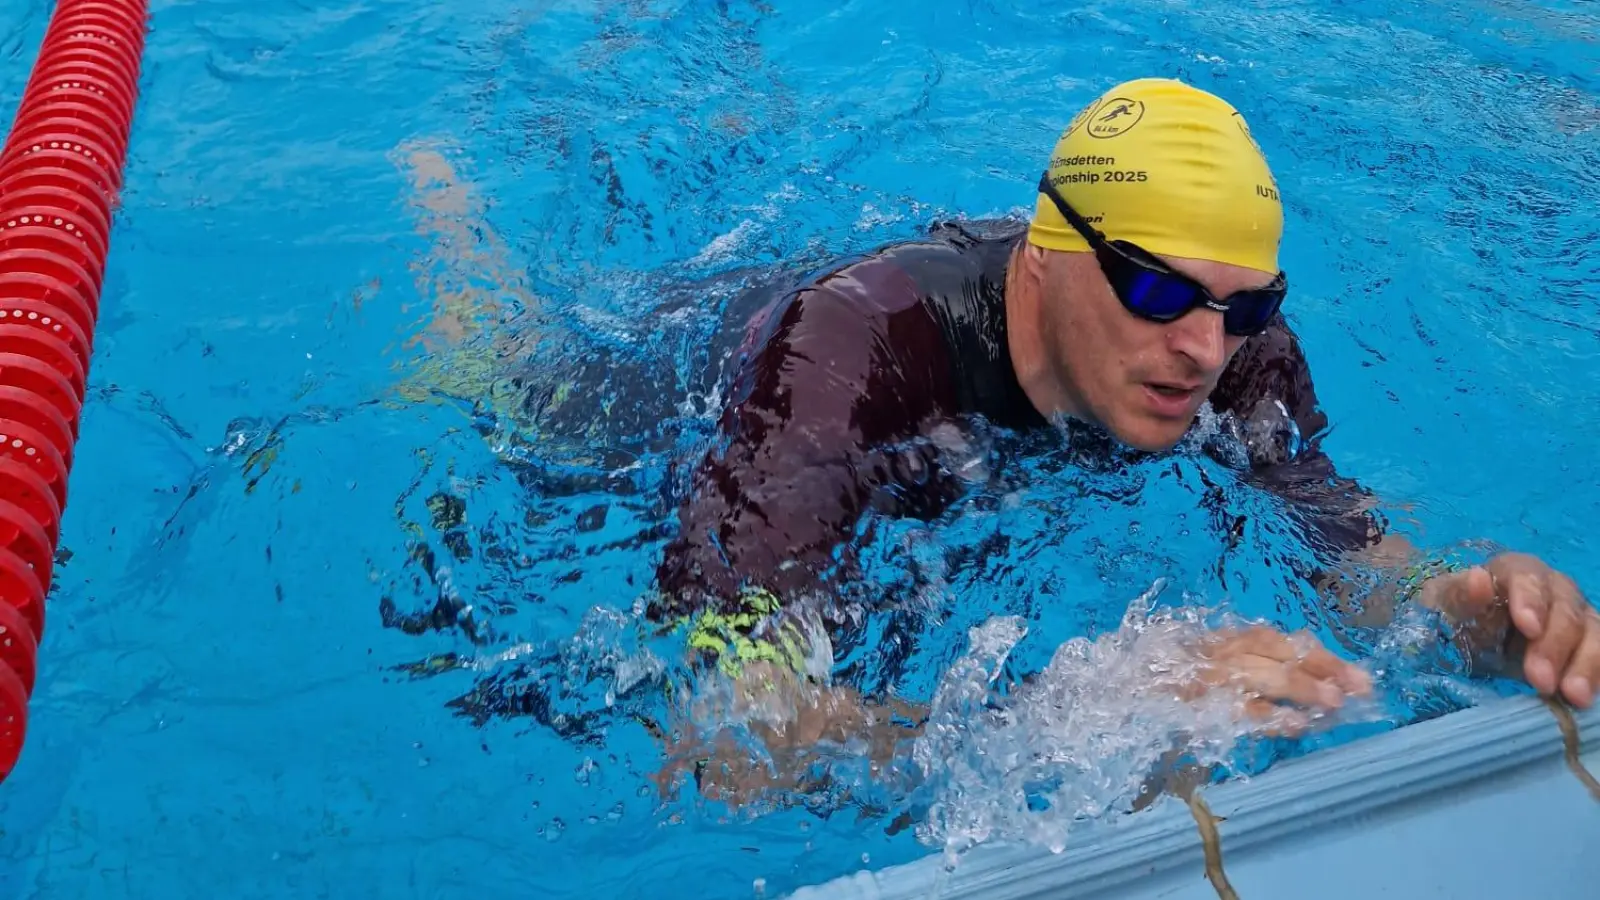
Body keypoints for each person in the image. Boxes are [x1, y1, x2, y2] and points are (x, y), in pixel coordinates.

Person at [642, 77, 1600, 763]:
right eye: (1156, 290)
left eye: (1248, 303)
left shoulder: (1238, 348)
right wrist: (1071, 715)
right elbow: (722, 733)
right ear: (1044, 252)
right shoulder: (855, 350)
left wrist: (1461, 610)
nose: (1205, 347)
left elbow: (1347, 552)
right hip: (639, 395)